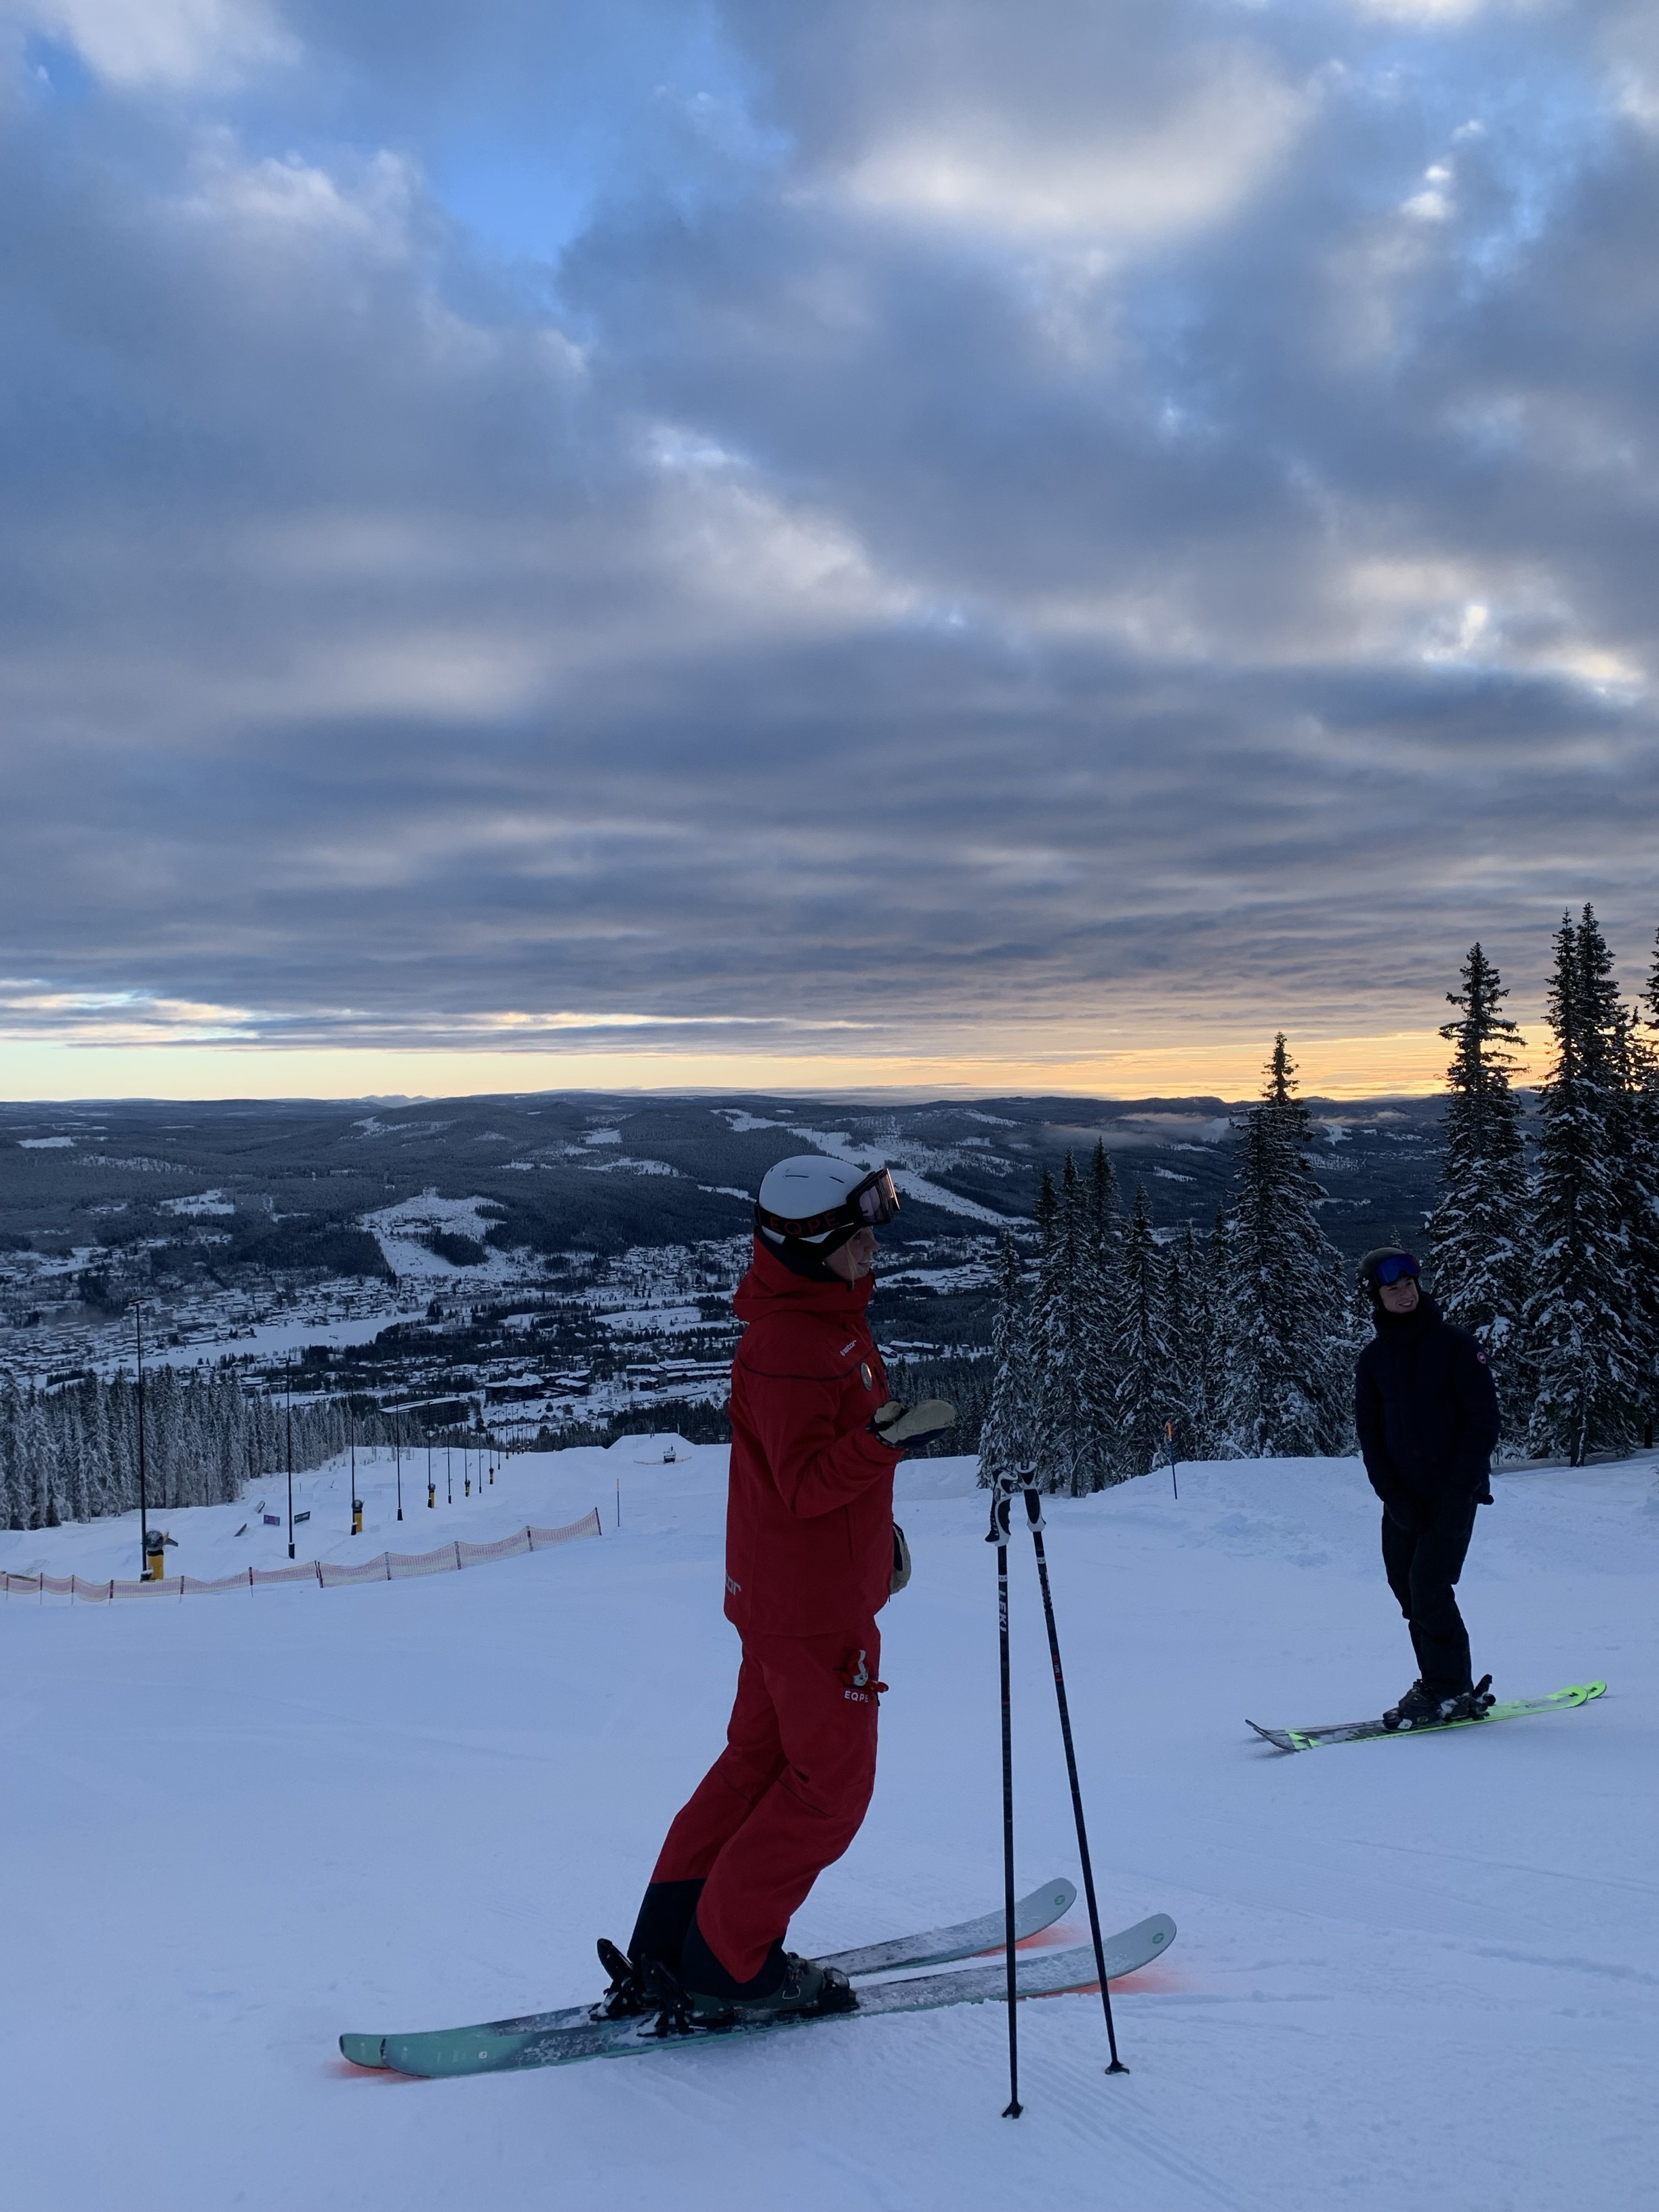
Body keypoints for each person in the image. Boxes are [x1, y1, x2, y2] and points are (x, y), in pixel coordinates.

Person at [602, 1156, 956, 2025]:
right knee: (831, 1791)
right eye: (858, 1234)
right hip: (811, 1618)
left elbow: (798, 1485)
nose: (874, 1246)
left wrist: (877, 1543)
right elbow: (802, 1483)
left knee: (754, 1766)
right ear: (807, 1247)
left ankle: (671, 1940)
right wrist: (882, 1446)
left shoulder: (818, 1317)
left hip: (791, 1597)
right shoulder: (797, 1345)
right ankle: (728, 1959)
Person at [1353, 1246, 1501, 1729]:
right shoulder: (1373, 1361)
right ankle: (1438, 1681)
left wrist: (1461, 1490)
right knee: (1407, 1590)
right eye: (1392, 1287)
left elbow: (1483, 1421)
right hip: (1403, 1498)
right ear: (1376, 1296)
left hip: (1451, 1493)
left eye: (1409, 1284)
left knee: (1430, 1586)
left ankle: (1449, 1688)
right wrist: (1391, 1495)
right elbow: (1370, 1435)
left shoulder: (1457, 1347)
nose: (1403, 1292)